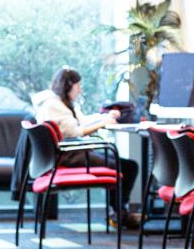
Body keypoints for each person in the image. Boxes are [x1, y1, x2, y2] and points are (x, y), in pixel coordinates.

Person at [32, 66, 140, 227]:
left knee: (123, 163)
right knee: (123, 166)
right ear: (69, 85)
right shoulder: (54, 105)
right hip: (68, 155)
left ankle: (118, 212)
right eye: (78, 86)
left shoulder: (60, 103)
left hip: (70, 152)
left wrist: (103, 117)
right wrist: (103, 122)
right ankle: (119, 213)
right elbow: (77, 131)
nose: (80, 90)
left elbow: (80, 121)